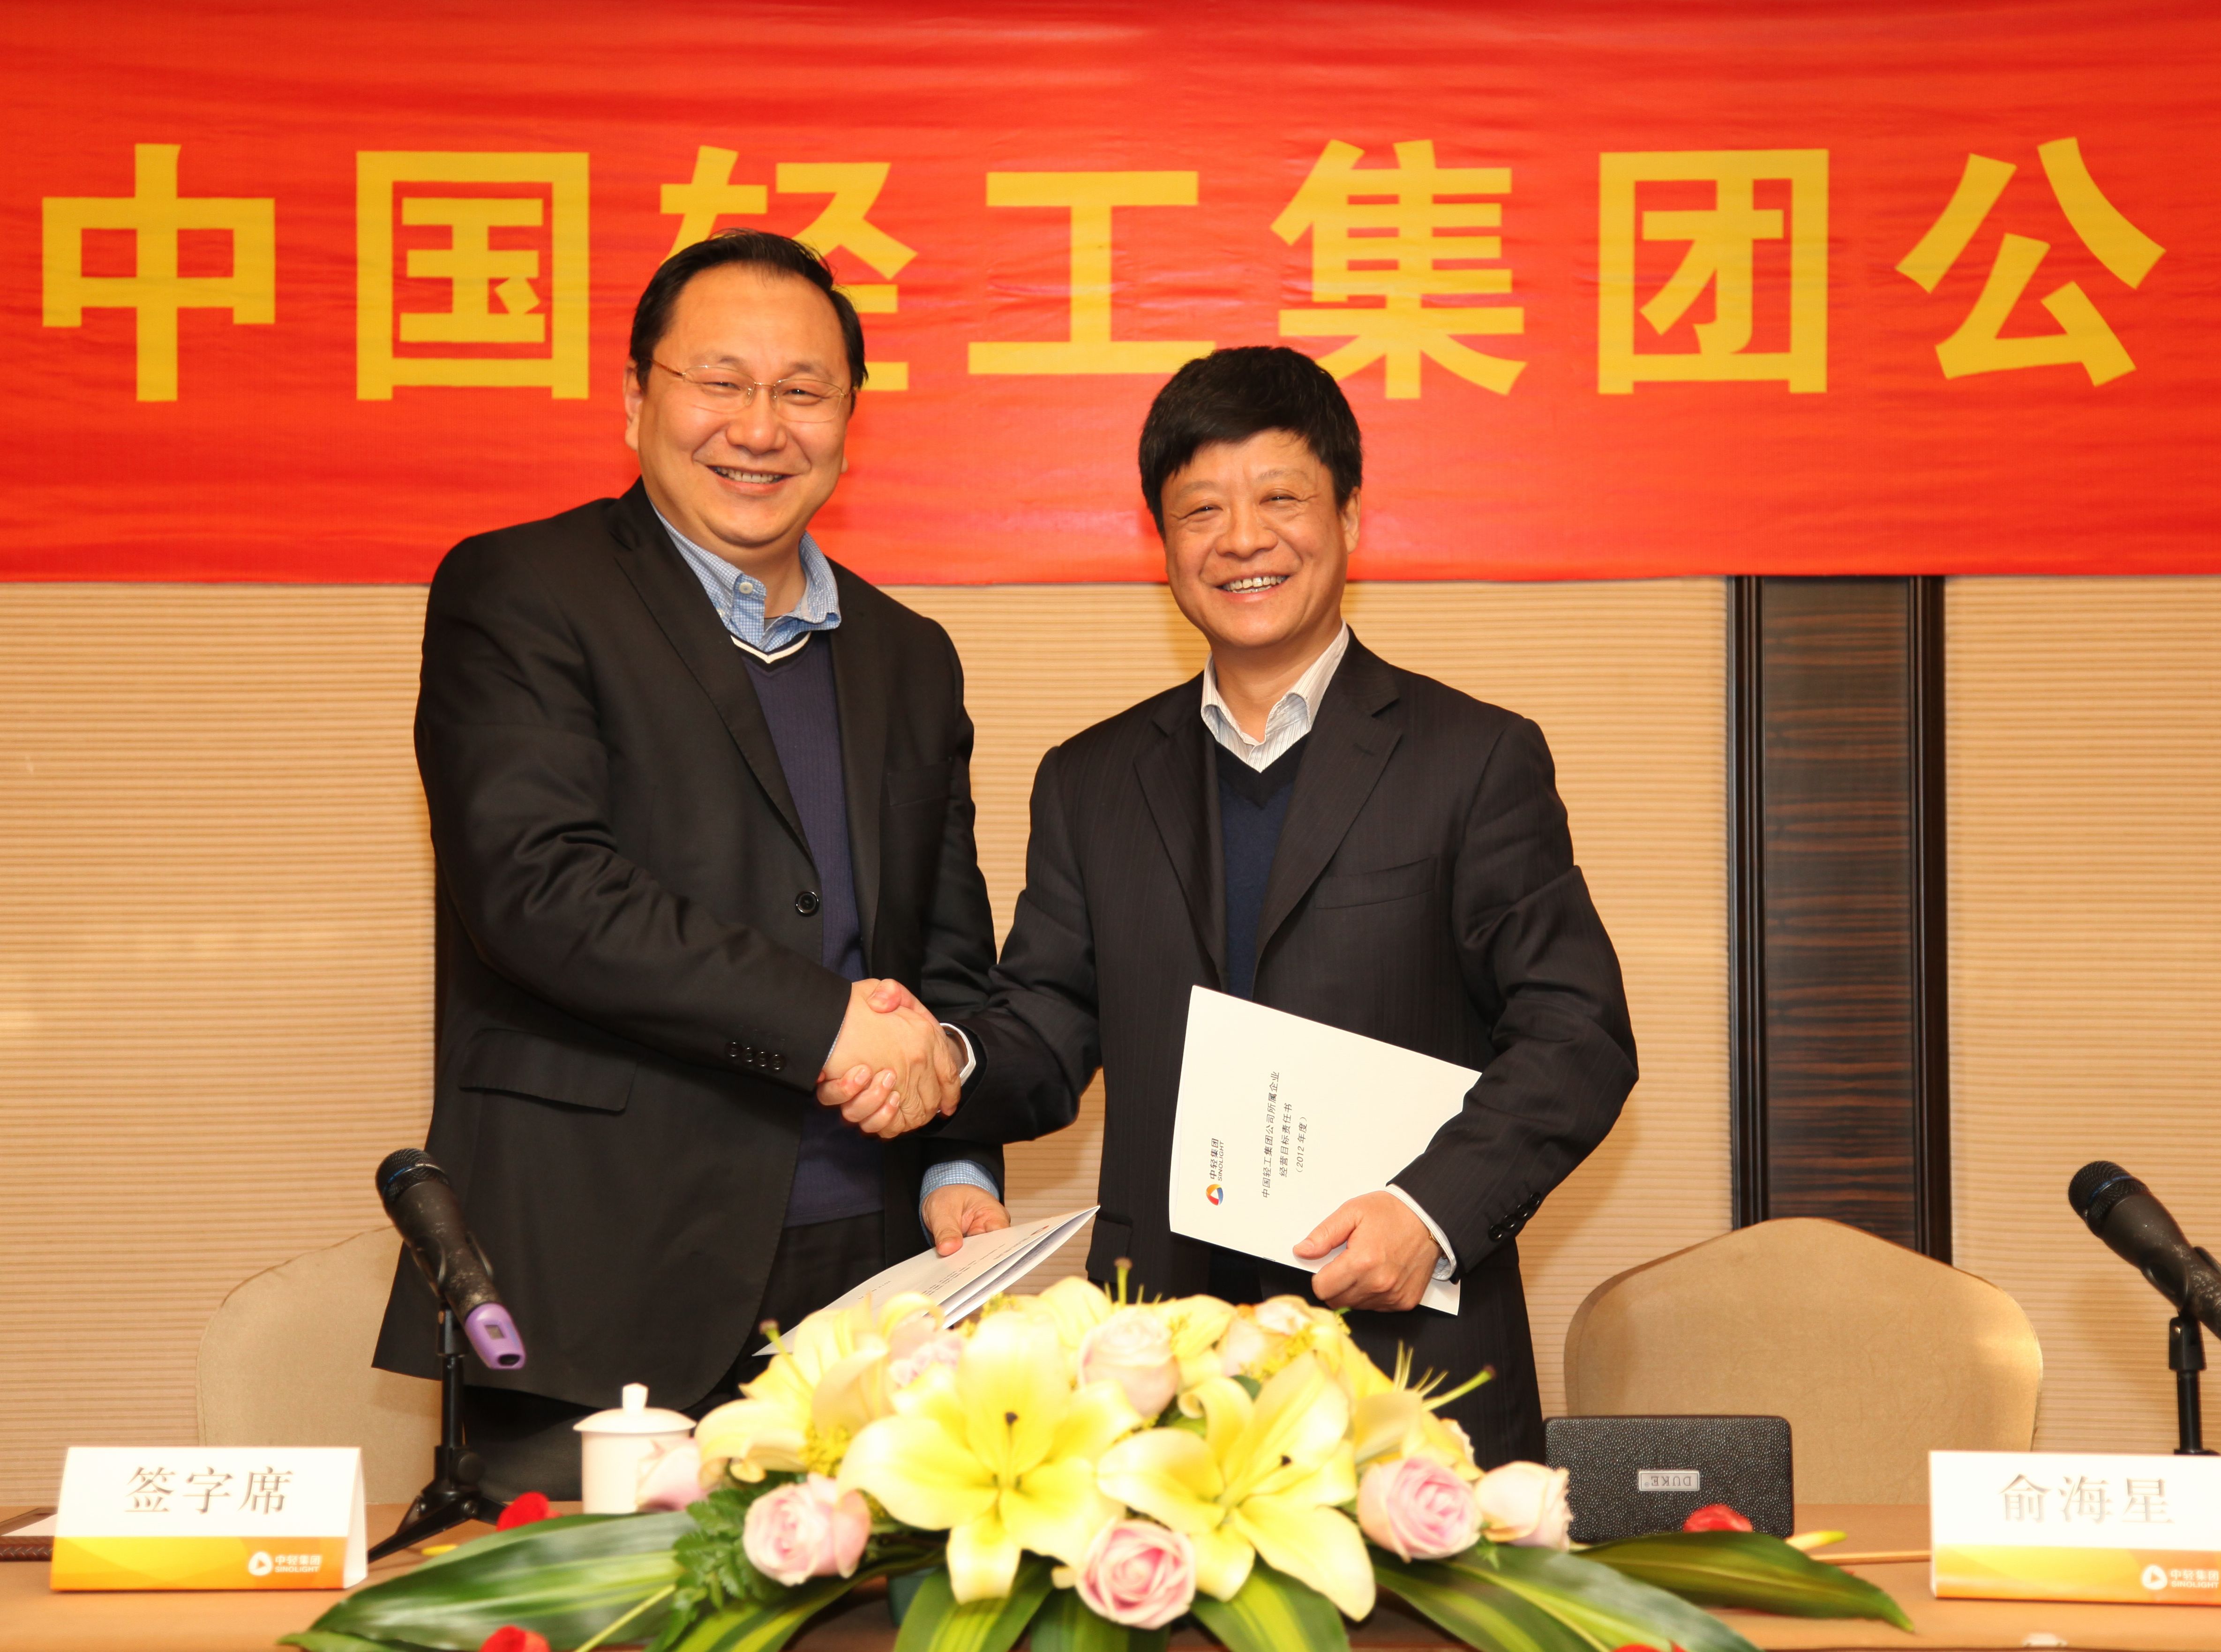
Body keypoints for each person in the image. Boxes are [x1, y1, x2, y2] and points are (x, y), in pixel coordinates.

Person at [838, 346, 1637, 1464]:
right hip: (1158, 1371)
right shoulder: (1090, 778)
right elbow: (1047, 1022)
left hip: (1403, 1362)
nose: (1242, 539)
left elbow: (1575, 1034)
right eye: (1201, 509)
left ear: (1347, 516)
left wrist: (1430, 1211)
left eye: (1279, 499)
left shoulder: (1472, 759)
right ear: (1161, 541)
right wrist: (946, 1057)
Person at [372, 230, 1019, 1500]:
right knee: (587, 1600)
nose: (759, 427)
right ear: (636, 397)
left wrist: (956, 1150)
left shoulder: (909, 653)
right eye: (719, 381)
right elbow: (538, 888)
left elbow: (945, 948)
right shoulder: (521, 590)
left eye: (802, 390)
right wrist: (827, 1020)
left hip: (873, 1283)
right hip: (601, 1272)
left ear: (849, 419)